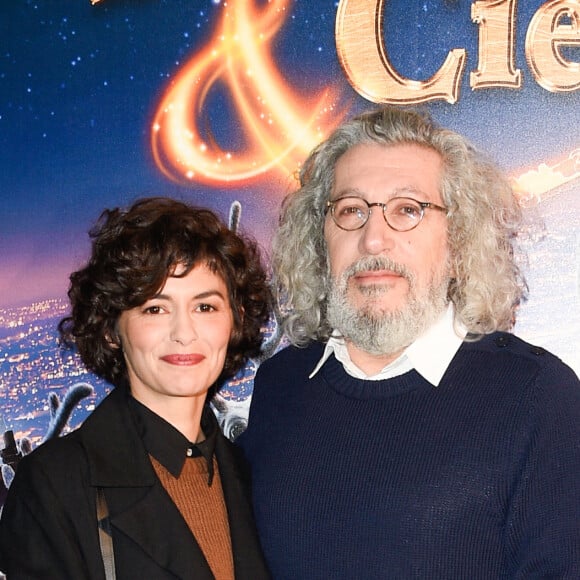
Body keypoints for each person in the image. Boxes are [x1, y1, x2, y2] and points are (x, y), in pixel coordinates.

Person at [237, 107, 580, 578]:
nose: (374, 239)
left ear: (458, 243)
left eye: (408, 210)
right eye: (351, 210)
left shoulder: (537, 395)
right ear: (321, 239)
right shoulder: (281, 384)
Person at [0, 197, 272, 579]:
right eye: (154, 309)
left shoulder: (251, 475)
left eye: (205, 307)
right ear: (112, 328)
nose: (184, 333)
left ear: (235, 320)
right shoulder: (56, 487)